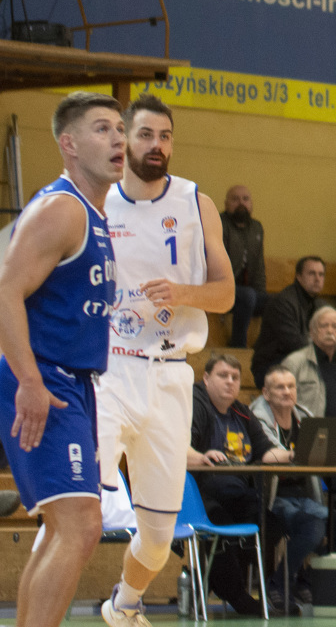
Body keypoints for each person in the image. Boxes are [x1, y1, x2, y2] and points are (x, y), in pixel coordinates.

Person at [98, 94, 236, 627]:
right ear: (125, 140)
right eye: (146, 135)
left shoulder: (197, 204)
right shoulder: (95, 199)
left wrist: (183, 293)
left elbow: (225, 294)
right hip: (108, 368)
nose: (157, 145)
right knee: (79, 505)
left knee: (157, 539)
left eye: (165, 136)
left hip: (171, 373)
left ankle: (124, 605)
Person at [0, 93, 123, 627]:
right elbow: (5, 291)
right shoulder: (62, 209)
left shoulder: (93, 213)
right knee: (80, 526)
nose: (118, 139)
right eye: (102, 129)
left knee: (63, 528)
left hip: (72, 380)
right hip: (43, 376)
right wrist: (29, 380)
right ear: (68, 144)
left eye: (120, 128)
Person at [189, 354, 294, 615]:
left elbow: (266, 453)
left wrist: (294, 455)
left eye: (235, 377)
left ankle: (217, 577)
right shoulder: (195, 404)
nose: (230, 382)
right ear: (206, 378)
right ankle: (236, 595)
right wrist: (202, 456)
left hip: (236, 492)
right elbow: (178, 447)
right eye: (223, 375)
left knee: (271, 525)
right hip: (200, 493)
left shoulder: (241, 412)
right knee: (222, 528)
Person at [250, 366, 336, 612]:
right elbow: (271, 452)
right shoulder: (257, 417)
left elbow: (325, 448)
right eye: (280, 387)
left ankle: (307, 579)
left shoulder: (304, 415)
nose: (287, 392)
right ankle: (278, 584)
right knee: (313, 526)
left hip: (303, 495)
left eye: (291, 386)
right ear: (266, 393)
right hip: (271, 496)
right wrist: (316, 454)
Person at [251, 256, 326, 387]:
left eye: (321, 274)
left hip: (300, 362)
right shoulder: (282, 303)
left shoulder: (321, 306)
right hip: (271, 366)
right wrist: (327, 351)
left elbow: (335, 338)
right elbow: (295, 344)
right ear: (298, 276)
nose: (317, 279)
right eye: (312, 273)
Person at [282, 306, 336, 419]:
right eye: (324, 326)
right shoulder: (295, 362)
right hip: (308, 428)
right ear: (312, 331)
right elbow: (281, 401)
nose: (330, 331)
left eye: (335, 326)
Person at [221, 184, 267, 348]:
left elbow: (259, 265)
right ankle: (238, 346)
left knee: (276, 303)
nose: (241, 203)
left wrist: (262, 295)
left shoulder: (256, 228)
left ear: (251, 203)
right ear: (226, 204)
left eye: (245, 199)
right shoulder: (219, 224)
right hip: (222, 290)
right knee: (248, 296)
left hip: (248, 293)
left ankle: (264, 348)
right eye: (235, 199)